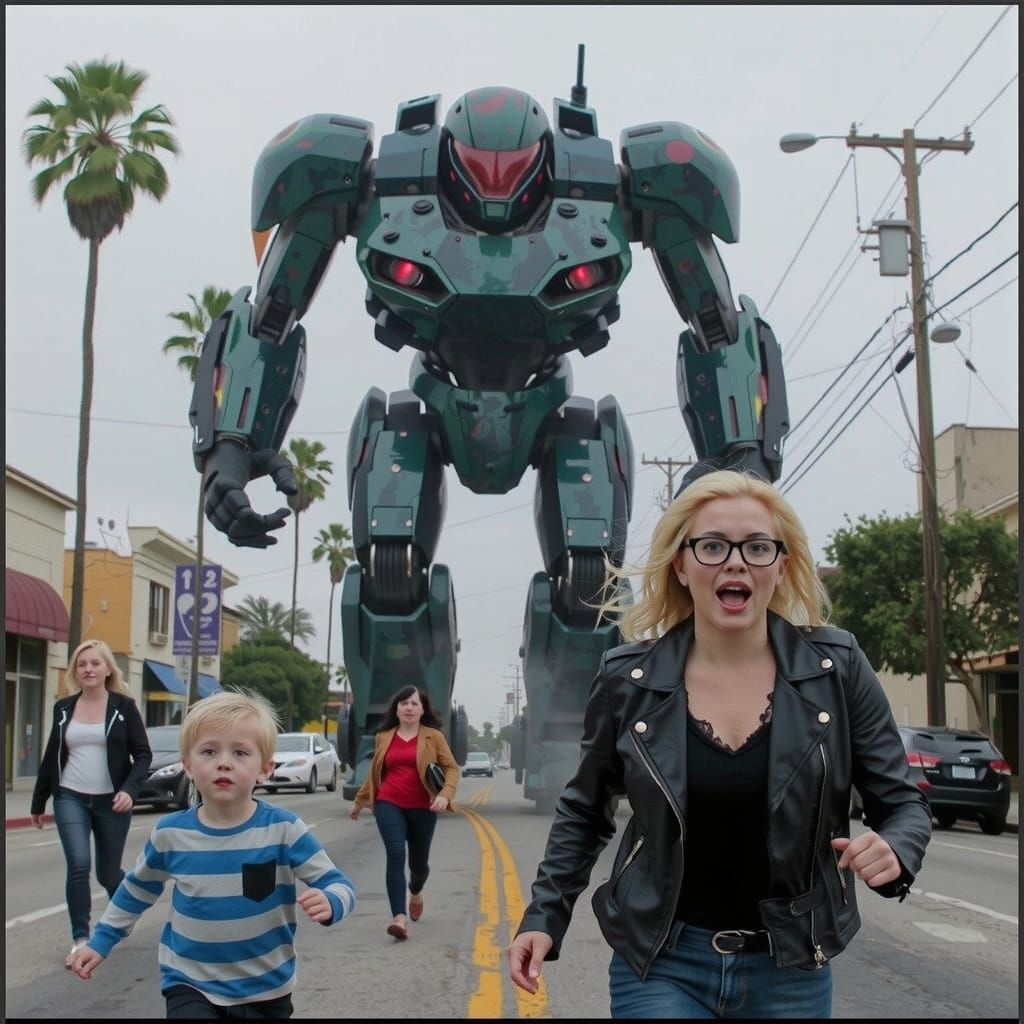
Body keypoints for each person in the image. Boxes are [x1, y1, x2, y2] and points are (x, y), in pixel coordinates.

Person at [507, 469, 932, 1019]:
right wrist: (545, 916)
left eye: (757, 547)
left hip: (791, 968)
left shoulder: (838, 668)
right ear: (681, 565)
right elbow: (585, 811)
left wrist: (896, 847)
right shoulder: (626, 679)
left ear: (781, 565)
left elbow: (902, 804)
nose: (736, 561)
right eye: (712, 546)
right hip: (662, 960)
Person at [68, 689, 357, 1020]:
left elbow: (339, 884)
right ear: (188, 766)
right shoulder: (171, 834)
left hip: (267, 987)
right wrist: (100, 940)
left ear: (265, 769)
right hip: (190, 982)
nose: (223, 762)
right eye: (209, 751)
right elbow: (136, 891)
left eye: (239, 753)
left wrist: (331, 901)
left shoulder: (284, 830)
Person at [30, 638, 152, 968]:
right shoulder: (64, 708)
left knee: (108, 873)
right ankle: (81, 938)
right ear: (75, 671)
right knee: (79, 863)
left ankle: (125, 909)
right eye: (82, 664)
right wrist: (39, 801)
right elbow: (51, 755)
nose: (88, 669)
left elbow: (142, 755)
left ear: (107, 668)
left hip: (111, 801)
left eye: (95, 663)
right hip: (69, 795)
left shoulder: (123, 707)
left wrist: (130, 790)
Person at [349, 685, 459, 941]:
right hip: (389, 803)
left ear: (422, 710)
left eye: (414, 704)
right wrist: (360, 801)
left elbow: (451, 768)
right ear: (396, 709)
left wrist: (444, 795)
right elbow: (375, 773)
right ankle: (399, 917)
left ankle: (416, 891)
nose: (409, 708)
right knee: (396, 854)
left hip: (424, 807)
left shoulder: (434, 736)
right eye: (404, 703)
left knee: (419, 865)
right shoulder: (384, 736)